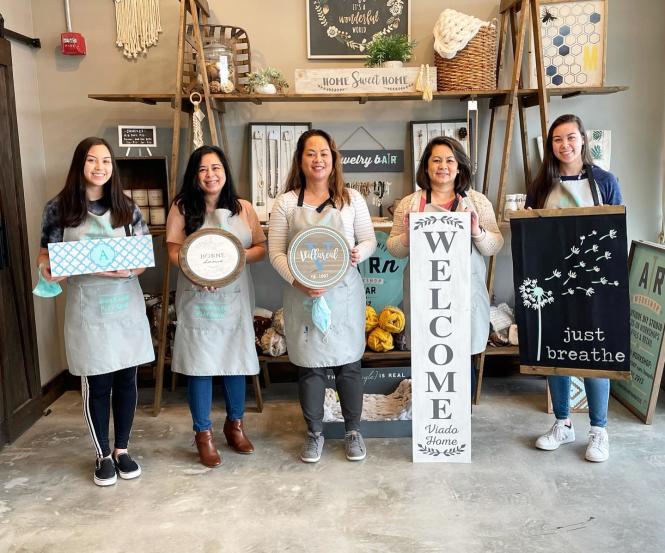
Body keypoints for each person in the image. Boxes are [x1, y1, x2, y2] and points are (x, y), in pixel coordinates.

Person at [37, 137, 154, 486]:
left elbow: (141, 262)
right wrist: (50, 269)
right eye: (92, 160)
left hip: (125, 305)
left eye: (106, 161)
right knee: (97, 381)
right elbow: (45, 257)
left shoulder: (127, 207)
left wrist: (130, 271)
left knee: (126, 381)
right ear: (80, 165)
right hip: (88, 308)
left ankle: (122, 449)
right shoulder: (58, 208)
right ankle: (102, 454)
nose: (100, 167)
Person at [269, 129, 377, 463]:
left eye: (324, 153)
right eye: (310, 153)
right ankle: (314, 433)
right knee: (311, 366)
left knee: (349, 365)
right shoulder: (286, 202)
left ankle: (353, 431)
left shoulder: (352, 199)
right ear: (301, 161)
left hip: (344, 292)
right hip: (302, 293)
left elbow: (369, 239)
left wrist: (359, 251)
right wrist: (299, 282)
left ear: (333, 160)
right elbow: (276, 253)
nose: (318, 159)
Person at [526, 113, 622, 463]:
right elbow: (530, 235)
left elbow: (617, 228)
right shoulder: (541, 185)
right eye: (556, 140)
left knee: (595, 354)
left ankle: (599, 430)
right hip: (554, 282)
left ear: (583, 139)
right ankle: (563, 423)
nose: (564, 145)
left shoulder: (605, 182)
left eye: (570, 138)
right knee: (557, 354)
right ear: (550, 146)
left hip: (595, 283)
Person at [166, 145, 266, 468]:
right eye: (203, 169)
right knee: (201, 364)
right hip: (198, 297)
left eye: (216, 167)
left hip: (234, 297)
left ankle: (235, 424)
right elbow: (172, 251)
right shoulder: (182, 208)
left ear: (226, 171)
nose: (211, 175)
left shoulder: (244, 208)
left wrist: (233, 261)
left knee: (235, 359)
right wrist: (197, 274)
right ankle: (203, 433)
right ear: (194, 176)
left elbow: (261, 248)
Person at [386, 136, 503, 398]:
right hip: (425, 297)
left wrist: (477, 231)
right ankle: (431, 423)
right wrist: (406, 236)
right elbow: (395, 250)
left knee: (462, 359)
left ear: (460, 166)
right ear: (426, 167)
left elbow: (494, 246)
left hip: (464, 295)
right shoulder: (409, 203)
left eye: (450, 160)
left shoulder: (478, 201)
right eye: (436, 160)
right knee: (429, 358)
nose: (443, 166)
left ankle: (461, 425)